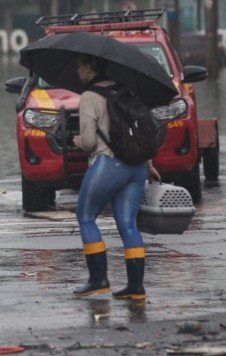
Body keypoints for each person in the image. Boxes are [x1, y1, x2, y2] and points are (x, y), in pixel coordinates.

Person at [71, 54, 160, 300]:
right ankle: (135, 288)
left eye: (79, 65)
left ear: (89, 66)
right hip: (137, 166)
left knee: (86, 217)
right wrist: (149, 164)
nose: (77, 72)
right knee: (128, 225)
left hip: (108, 165)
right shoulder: (126, 92)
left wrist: (76, 141)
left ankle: (98, 280)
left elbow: (89, 143)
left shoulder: (89, 97)